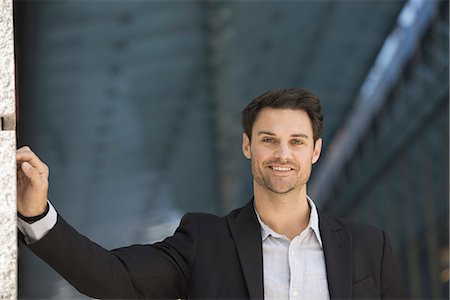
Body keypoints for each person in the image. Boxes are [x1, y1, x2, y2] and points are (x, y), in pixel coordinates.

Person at [16, 88, 407, 299]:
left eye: (297, 142)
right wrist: (36, 216)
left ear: (316, 150)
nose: (283, 154)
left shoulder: (368, 246)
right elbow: (115, 279)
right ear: (247, 146)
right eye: (268, 139)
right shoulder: (206, 242)